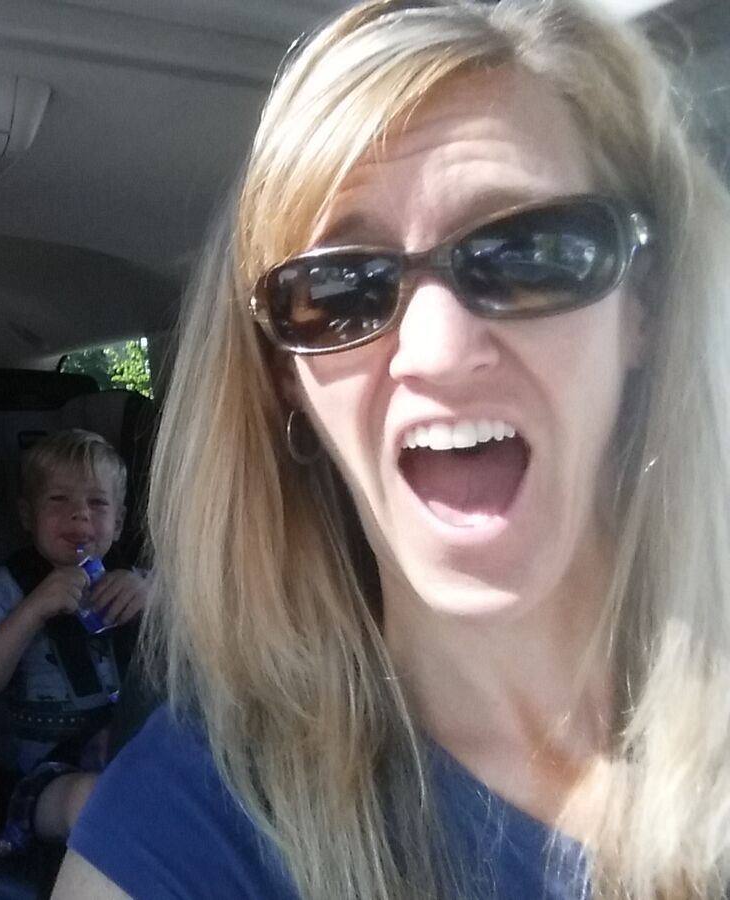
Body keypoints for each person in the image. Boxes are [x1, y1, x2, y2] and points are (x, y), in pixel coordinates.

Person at [55, 0, 730, 897]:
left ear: (640, 304)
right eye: (339, 290)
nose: (439, 352)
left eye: (527, 252)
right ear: (286, 378)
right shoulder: (189, 825)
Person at [0, 429, 147, 856]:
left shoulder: (135, 583)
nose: (80, 516)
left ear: (119, 523)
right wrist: (33, 610)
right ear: (28, 516)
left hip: (131, 753)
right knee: (91, 798)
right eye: (59, 501)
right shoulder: (10, 588)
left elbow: (198, 663)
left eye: (97, 504)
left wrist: (152, 599)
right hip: (41, 775)